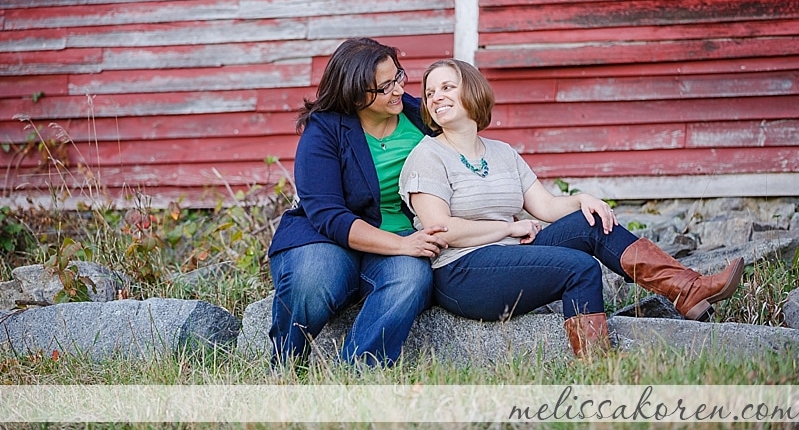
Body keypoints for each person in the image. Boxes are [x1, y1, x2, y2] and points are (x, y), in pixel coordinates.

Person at [398, 59, 745, 357]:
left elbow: (546, 206)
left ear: (472, 91)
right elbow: (439, 228)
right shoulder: (427, 156)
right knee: (578, 267)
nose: (436, 97)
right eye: (430, 93)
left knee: (591, 223)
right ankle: (595, 367)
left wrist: (582, 200)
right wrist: (506, 228)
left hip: (511, 256)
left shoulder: (502, 153)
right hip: (462, 273)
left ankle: (688, 289)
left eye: (447, 87)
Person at [267, 37, 448, 367]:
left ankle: (355, 374)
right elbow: (328, 215)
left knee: (410, 278)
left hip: (403, 237)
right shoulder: (324, 131)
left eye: (398, 76)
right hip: (325, 240)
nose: (396, 90)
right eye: (383, 87)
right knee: (313, 278)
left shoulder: (420, 118)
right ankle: (286, 366)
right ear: (354, 93)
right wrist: (400, 245)